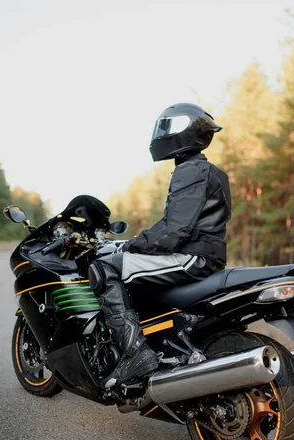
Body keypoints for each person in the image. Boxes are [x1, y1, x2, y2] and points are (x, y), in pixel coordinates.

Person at [89, 103, 231, 389]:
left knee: (104, 268)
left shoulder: (191, 170)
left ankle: (135, 353)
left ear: (183, 131)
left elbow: (173, 231)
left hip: (192, 257)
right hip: (205, 256)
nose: (161, 134)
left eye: (167, 128)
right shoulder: (209, 171)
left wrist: (131, 245)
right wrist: (138, 242)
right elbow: (178, 224)